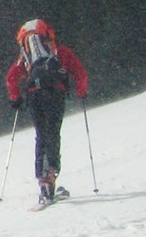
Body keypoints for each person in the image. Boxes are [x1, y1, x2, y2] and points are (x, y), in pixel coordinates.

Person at [5, 19, 89, 205]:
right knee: (53, 133)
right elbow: (79, 72)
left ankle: (42, 180)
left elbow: (11, 78)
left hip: (34, 96)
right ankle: (51, 173)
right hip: (54, 94)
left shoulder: (25, 58)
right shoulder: (59, 52)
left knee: (41, 135)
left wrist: (15, 98)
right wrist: (82, 92)